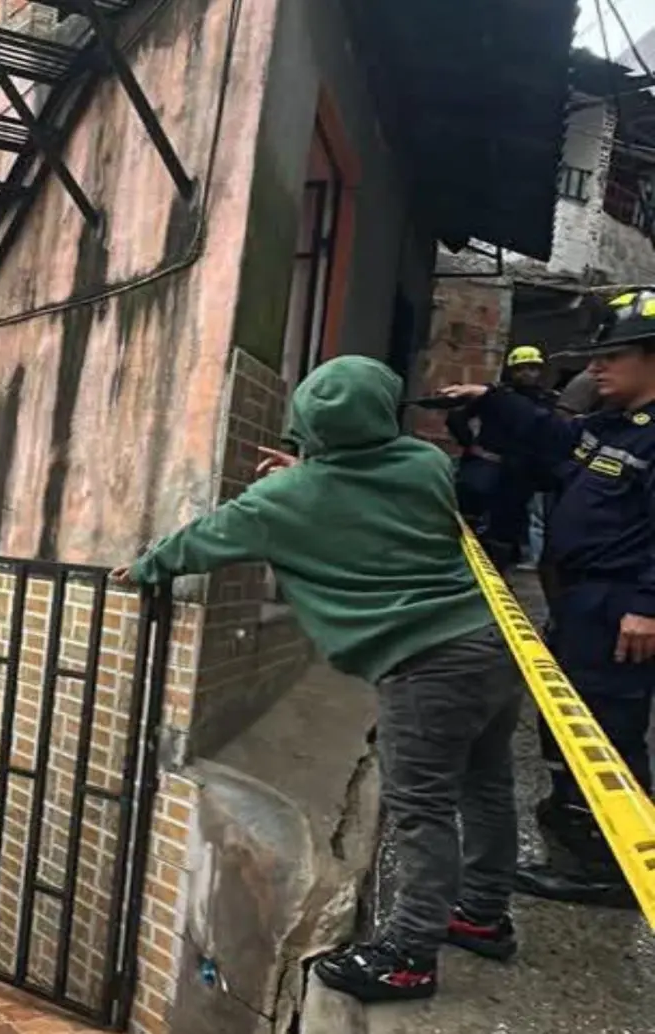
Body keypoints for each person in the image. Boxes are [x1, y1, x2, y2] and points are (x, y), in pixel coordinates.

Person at [112, 355, 522, 1004]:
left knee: (420, 810)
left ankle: (408, 956)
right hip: (493, 645)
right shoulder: (425, 464)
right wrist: (309, 477)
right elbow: (362, 490)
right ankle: (482, 913)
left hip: (423, 666)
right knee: (486, 784)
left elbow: (203, 539)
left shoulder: (281, 501)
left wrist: (145, 569)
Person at [441, 287, 655, 907]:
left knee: (609, 731)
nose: (595, 367)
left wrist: (648, 604)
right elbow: (555, 438)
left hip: (622, 610)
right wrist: (494, 401)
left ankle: (610, 866)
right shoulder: (612, 427)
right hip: (583, 602)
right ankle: (578, 828)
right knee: (573, 725)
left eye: (610, 356)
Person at [445, 345, 557, 573]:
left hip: (519, 473)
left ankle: (498, 574)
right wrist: (470, 444)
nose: (527, 374)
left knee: (506, 528)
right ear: (511, 371)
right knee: (467, 516)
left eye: (533, 368)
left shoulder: (546, 400)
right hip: (486, 464)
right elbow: (456, 417)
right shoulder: (493, 395)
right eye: (521, 369)